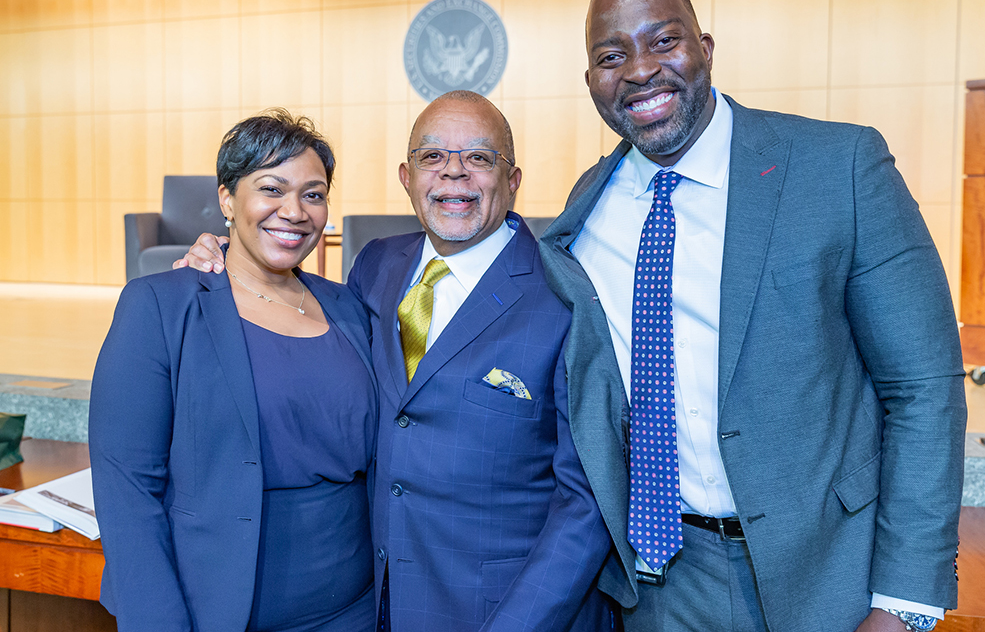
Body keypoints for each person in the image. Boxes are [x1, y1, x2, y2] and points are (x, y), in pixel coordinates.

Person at [536, 0, 968, 632]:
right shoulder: (585, 209)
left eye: (664, 41)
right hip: (660, 586)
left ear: (704, 47)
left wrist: (903, 601)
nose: (640, 69)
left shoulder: (839, 166)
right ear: (590, 80)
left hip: (833, 577)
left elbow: (924, 389)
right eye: (610, 56)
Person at [175, 92, 613, 632]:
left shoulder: (565, 293)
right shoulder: (377, 265)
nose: (453, 175)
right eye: (433, 157)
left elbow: (588, 500)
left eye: (479, 158)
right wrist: (227, 259)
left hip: (502, 610)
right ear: (407, 176)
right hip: (373, 602)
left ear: (514, 178)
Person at [90, 110, 378, 632]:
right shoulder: (161, 306)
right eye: (271, 188)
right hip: (218, 608)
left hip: (354, 608)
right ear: (227, 198)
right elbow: (127, 487)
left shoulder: (350, 308)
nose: (293, 211)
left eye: (313, 194)